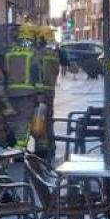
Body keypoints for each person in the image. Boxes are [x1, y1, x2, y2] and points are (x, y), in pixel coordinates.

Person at [2, 24, 41, 148]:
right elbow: (36, 74)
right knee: (23, 121)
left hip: (10, 93)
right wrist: (39, 93)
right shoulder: (32, 52)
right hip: (27, 94)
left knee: (12, 121)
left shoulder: (9, 53)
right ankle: (19, 149)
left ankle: (11, 146)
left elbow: (4, 73)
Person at [33, 26, 63, 158]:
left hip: (40, 94)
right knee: (48, 121)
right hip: (50, 93)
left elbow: (36, 73)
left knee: (40, 123)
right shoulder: (54, 54)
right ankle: (51, 148)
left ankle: (42, 152)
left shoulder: (39, 54)